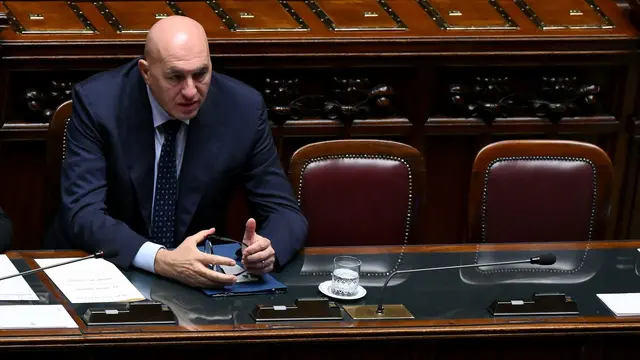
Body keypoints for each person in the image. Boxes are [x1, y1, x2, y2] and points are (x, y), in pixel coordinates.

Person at [48, 15, 307, 288]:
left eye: (201, 74)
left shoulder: (241, 108)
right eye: (175, 77)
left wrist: (268, 251)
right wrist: (160, 259)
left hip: (197, 280)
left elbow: (284, 212)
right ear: (146, 72)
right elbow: (83, 213)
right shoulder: (99, 103)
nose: (191, 91)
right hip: (106, 268)